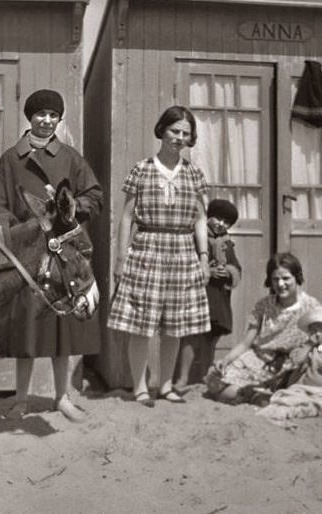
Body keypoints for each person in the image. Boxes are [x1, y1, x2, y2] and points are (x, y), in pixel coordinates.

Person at [0, 89, 102, 423]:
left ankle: (62, 397)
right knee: (26, 328)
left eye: (53, 115)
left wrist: (71, 208)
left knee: (62, 328)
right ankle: (21, 398)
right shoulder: (10, 159)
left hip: (63, 254)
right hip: (26, 256)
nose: (46, 120)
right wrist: (19, 231)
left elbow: (94, 194)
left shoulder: (69, 157)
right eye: (41, 114)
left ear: (59, 120)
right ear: (29, 117)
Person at [107, 105, 211, 407]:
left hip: (182, 252)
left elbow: (200, 219)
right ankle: (140, 387)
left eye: (185, 134)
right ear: (162, 131)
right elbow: (127, 218)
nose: (179, 138)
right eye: (174, 131)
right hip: (147, 249)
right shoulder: (142, 169)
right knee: (142, 323)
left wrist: (203, 257)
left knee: (175, 325)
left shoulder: (194, 174)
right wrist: (120, 258)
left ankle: (165, 385)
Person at [205, 252, 321, 404]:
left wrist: (305, 352)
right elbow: (246, 343)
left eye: (286, 278)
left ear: (297, 277)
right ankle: (255, 393)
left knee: (229, 393)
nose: (280, 284)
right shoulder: (263, 306)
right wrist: (226, 360)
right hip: (258, 359)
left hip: (288, 365)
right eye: (275, 279)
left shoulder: (311, 307)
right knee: (214, 380)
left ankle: (256, 392)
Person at [174, 198, 242, 390]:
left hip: (218, 296)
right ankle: (183, 378)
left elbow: (236, 267)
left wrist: (227, 271)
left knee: (211, 337)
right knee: (191, 335)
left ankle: (203, 376)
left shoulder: (227, 244)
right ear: (207, 217)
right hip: (198, 293)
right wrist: (207, 271)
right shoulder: (196, 237)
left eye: (227, 222)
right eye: (218, 218)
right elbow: (184, 262)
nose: (221, 224)